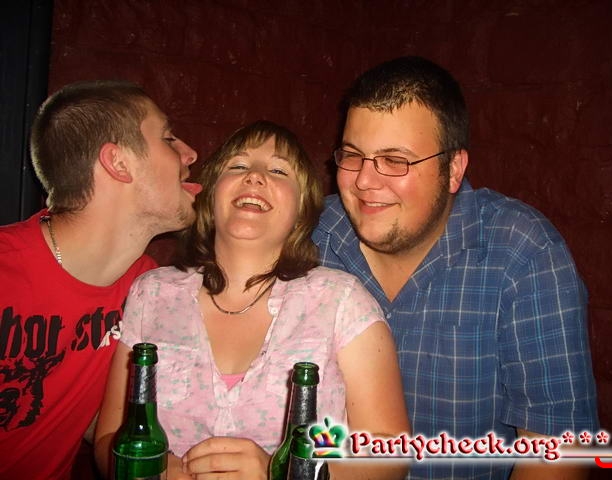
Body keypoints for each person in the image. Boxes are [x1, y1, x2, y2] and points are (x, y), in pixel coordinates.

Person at [312, 56, 599, 479]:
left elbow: (559, 452)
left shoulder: (522, 252)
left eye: (395, 160)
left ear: (453, 170)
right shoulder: (312, 237)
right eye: (353, 156)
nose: (365, 181)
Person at [94, 120, 410, 479]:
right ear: (210, 196)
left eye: (278, 170)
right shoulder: (152, 293)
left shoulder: (341, 301)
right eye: (239, 165)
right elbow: (107, 440)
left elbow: (392, 456)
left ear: (302, 209)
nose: (255, 176)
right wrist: (153, 469)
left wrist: (282, 472)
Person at [0, 80, 200, 479]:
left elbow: (101, 426)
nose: (190, 153)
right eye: (168, 138)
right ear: (118, 163)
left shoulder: (146, 287)